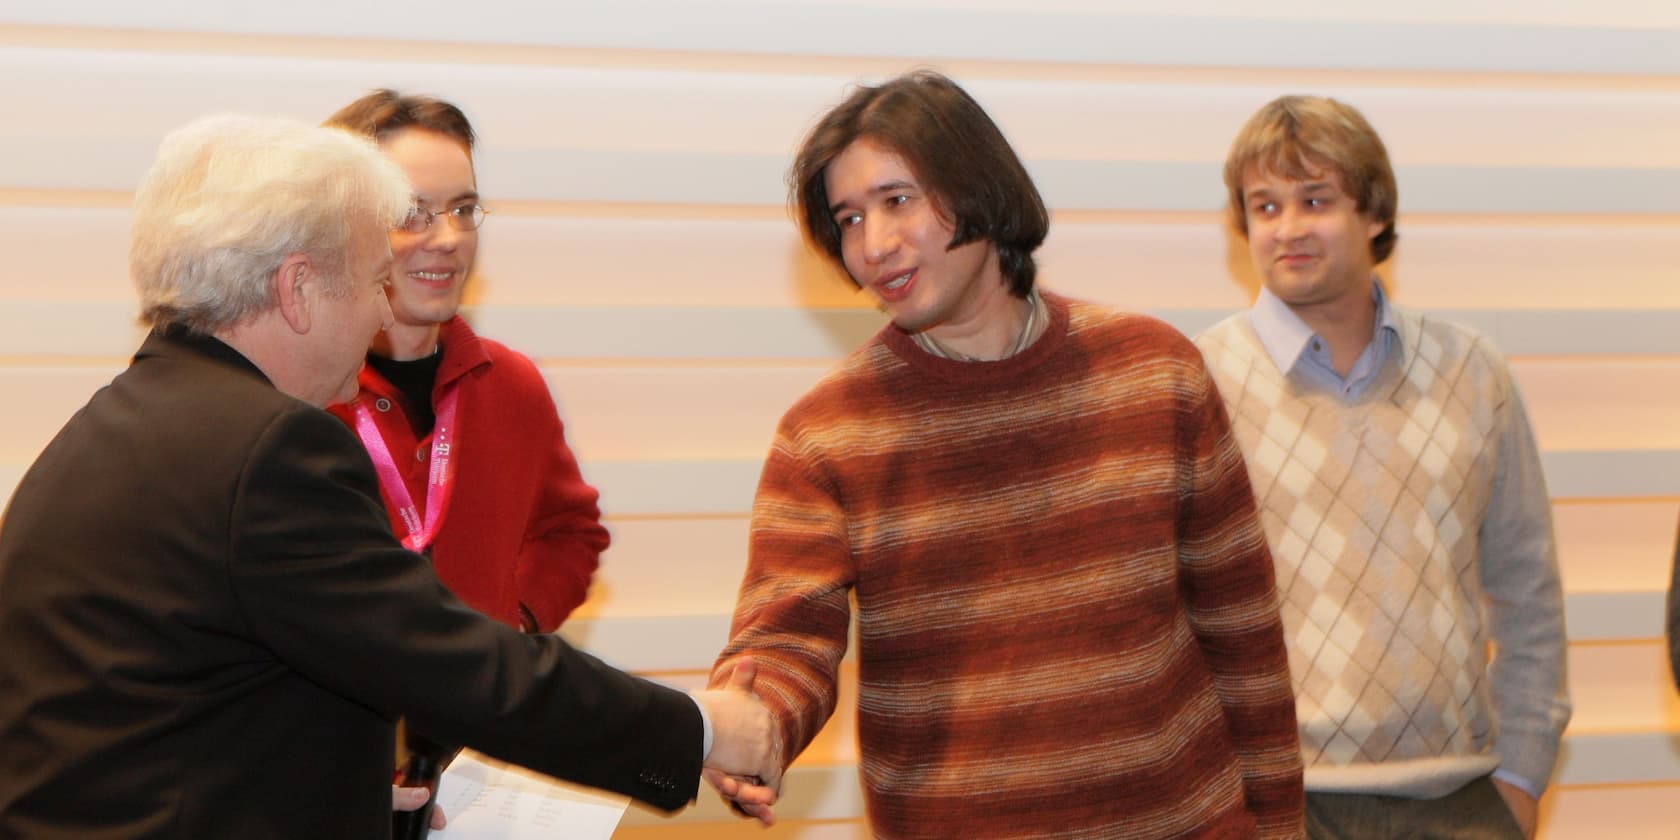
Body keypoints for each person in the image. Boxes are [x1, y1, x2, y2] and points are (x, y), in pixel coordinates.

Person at [0, 114, 778, 838]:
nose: (381, 314)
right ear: (298, 289)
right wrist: (703, 728)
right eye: (374, 280)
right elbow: (462, 669)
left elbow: (175, 712)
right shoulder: (269, 451)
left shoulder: (119, 420)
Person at [709, 70, 1304, 838]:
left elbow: (1243, 631)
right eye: (848, 218)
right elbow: (786, 640)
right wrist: (750, 723)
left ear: (979, 187)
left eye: (897, 200)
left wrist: (1281, 825)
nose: (874, 245)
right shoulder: (827, 433)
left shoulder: (1154, 370)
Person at [1194, 95, 1571, 839]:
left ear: (1373, 213)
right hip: (1276, 804)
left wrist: (1521, 782)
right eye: (1265, 206)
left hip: (1463, 802)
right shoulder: (1199, 381)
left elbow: (1529, 595)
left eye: (1315, 200)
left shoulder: (1473, 372)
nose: (1289, 228)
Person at [322, 90, 603, 634]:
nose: (449, 238)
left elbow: (572, 531)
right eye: (411, 213)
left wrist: (513, 623)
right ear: (337, 227)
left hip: (480, 718)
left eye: (463, 210)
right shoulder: (301, 395)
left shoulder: (511, 384)